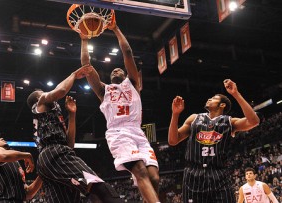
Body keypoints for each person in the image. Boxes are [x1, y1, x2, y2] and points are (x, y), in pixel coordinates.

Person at [81, 20, 160, 202]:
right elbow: (86, 66)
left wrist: (115, 28)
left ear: (126, 75)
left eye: (120, 69)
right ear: (110, 78)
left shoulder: (133, 84)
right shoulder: (104, 91)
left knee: (154, 178)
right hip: (118, 132)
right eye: (113, 70)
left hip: (137, 132)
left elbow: (128, 52)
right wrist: (84, 40)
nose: (117, 69)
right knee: (139, 171)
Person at [26, 65, 124, 203]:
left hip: (49, 159)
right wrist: (73, 74)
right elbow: (61, 90)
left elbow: (70, 145)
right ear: (37, 99)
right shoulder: (40, 102)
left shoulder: (47, 118)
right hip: (54, 154)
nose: (46, 93)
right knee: (98, 187)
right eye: (43, 92)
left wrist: (72, 115)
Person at [168, 79, 260, 203]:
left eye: (213, 98)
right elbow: (173, 140)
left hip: (219, 174)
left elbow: (254, 121)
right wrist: (175, 114)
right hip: (194, 175)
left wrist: (235, 94)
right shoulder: (194, 118)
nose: (209, 99)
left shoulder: (229, 121)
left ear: (222, 105)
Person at [0, 138, 42, 203]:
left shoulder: (14, 161)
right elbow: (3, 156)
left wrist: (42, 174)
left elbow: (28, 193)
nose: (1, 138)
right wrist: (27, 155)